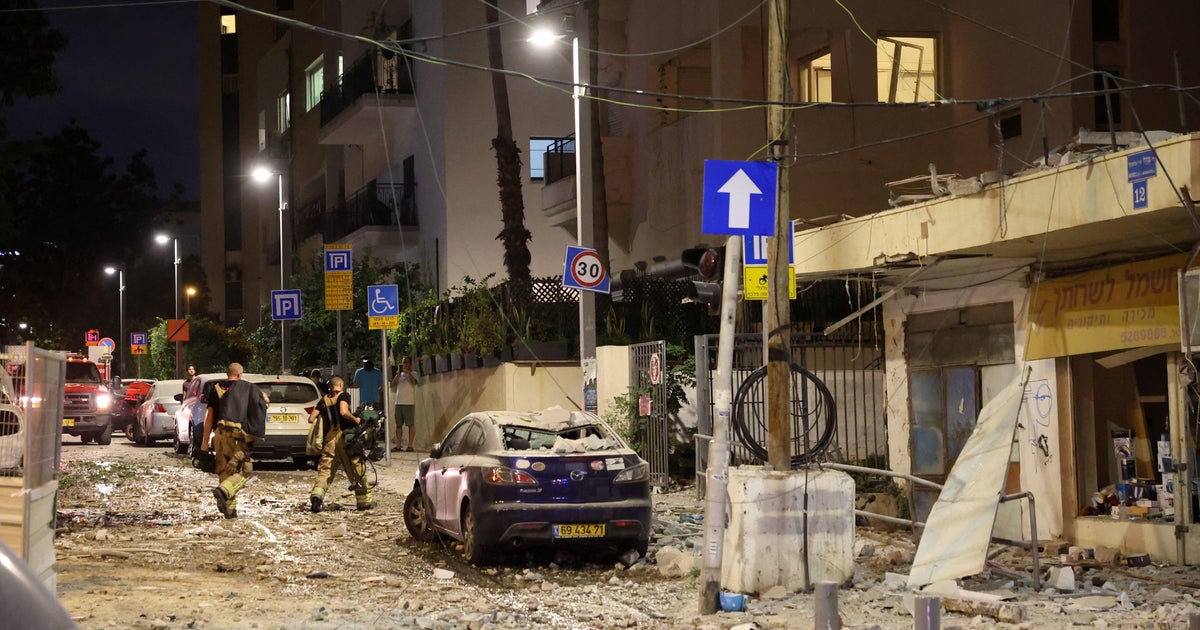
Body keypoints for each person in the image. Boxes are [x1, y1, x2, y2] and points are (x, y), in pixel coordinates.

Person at [200, 362, 267, 519]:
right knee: (244, 470)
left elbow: (208, 419)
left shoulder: (216, 389)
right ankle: (223, 491)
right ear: (240, 375)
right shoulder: (248, 389)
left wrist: (204, 442)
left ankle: (230, 511)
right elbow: (264, 402)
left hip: (219, 435)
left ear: (227, 373)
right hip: (237, 436)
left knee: (224, 470)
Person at [307, 376, 374, 513]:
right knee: (356, 468)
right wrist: (355, 419)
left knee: (325, 470)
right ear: (341, 385)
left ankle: (317, 496)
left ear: (331, 386)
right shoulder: (343, 395)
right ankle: (364, 502)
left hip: (329, 440)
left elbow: (311, 418)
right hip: (345, 438)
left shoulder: (324, 399)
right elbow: (343, 411)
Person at [389, 356, 418, 452]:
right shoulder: (399, 375)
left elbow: (413, 383)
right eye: (403, 363)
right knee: (398, 425)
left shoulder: (414, 374)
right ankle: (398, 445)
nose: (404, 364)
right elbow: (392, 385)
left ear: (410, 364)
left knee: (410, 424)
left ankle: (410, 445)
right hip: (399, 402)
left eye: (406, 362)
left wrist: (408, 372)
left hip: (409, 402)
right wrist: (398, 374)